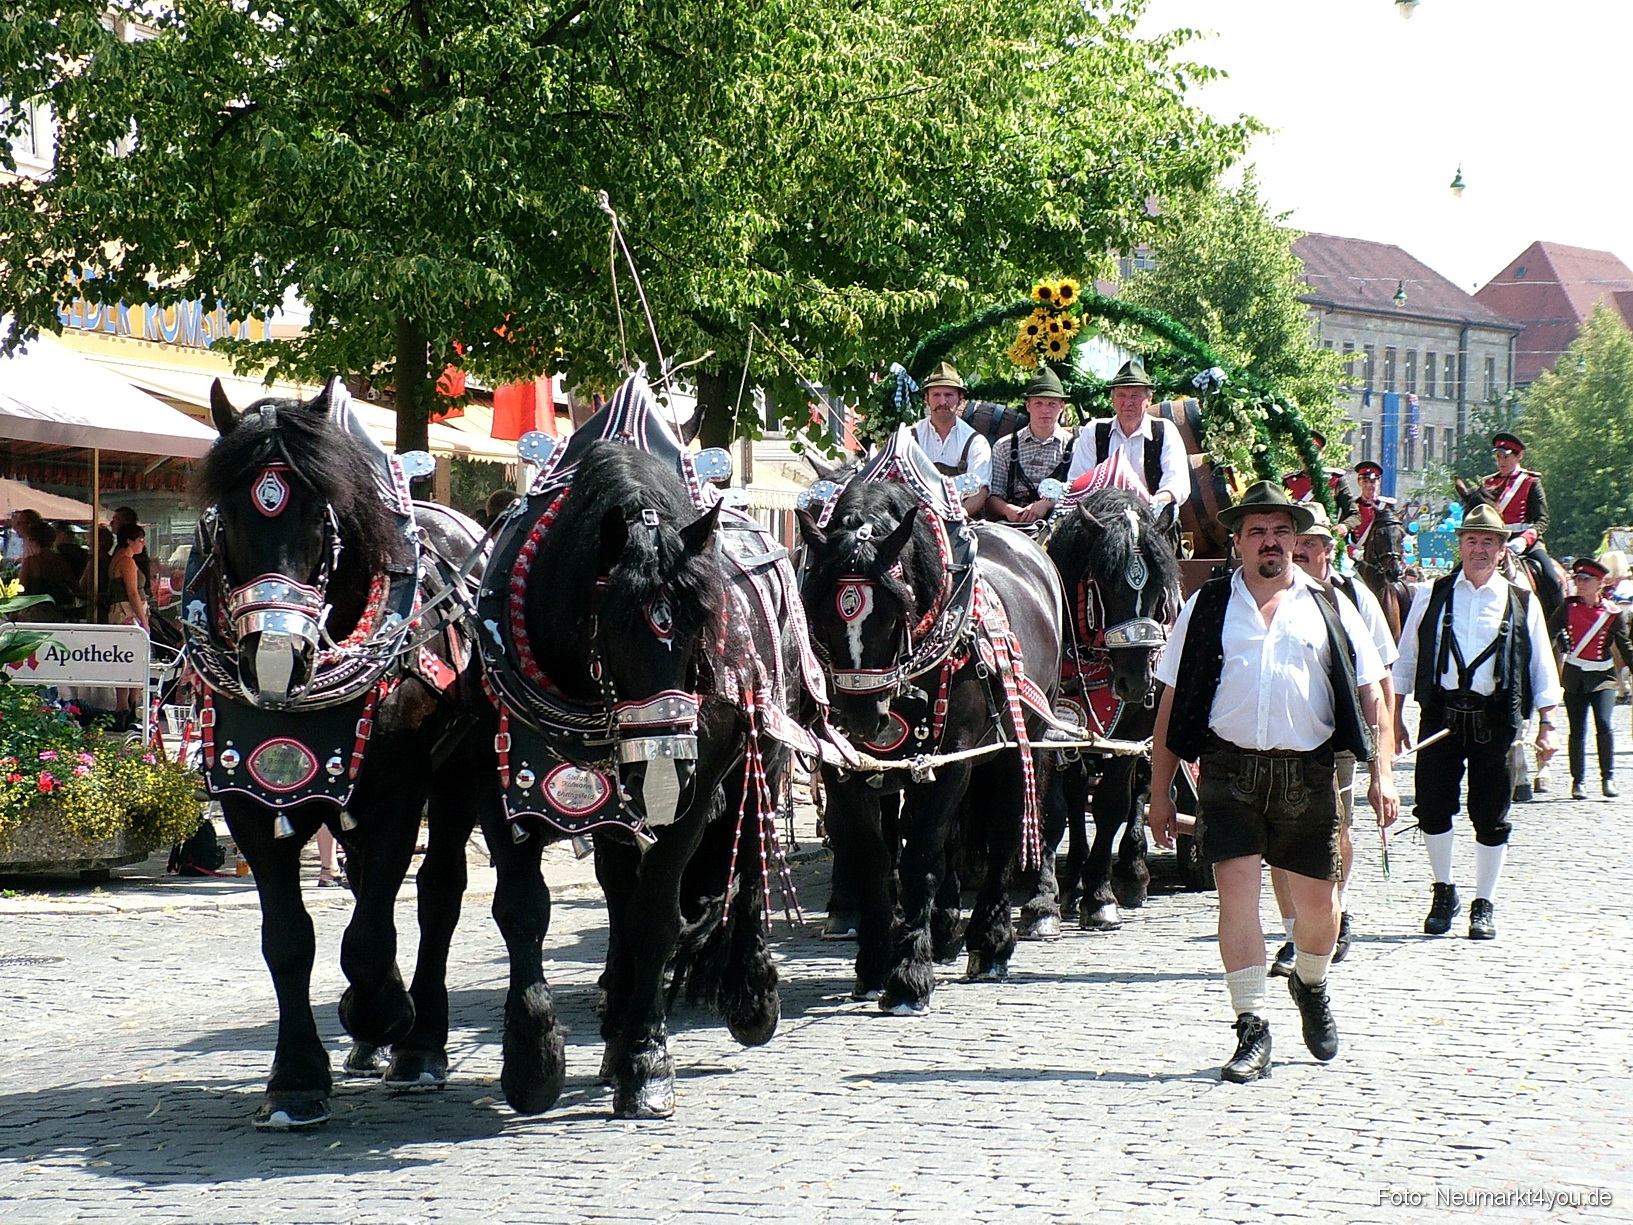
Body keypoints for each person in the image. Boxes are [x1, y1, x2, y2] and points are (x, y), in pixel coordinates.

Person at [1148, 482, 1397, 1084]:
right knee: (1237, 896)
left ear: (1296, 539)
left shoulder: (1327, 604)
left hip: (1306, 772)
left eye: (1280, 531)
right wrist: (1158, 793)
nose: (1270, 542)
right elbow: (1172, 702)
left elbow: (1374, 699)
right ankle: (1250, 1026)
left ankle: (1311, 983)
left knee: (1320, 909)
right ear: (1237, 542)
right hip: (1228, 769)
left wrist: (1382, 773)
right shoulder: (1206, 607)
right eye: (1257, 532)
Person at [1391, 504, 1562, 942]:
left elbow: (1541, 663)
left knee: (1491, 814)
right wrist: (1394, 717)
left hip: (1497, 719)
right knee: (1432, 807)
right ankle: (1444, 889)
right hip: (1440, 715)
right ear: (1461, 544)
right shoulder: (1434, 592)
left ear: (1503, 550)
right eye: (1472, 540)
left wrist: (1548, 722)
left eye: (1489, 541)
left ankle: (1484, 901)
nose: (1480, 549)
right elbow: (1406, 658)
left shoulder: (1522, 600)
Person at [1266, 502, 1399, 976]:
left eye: (1310, 544)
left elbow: (1380, 678)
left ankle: (1333, 912)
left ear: (1328, 549)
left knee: (1333, 829)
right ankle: (1291, 932)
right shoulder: (1263, 594)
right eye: (1295, 543)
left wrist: (1383, 762)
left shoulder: (1351, 597)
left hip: (1337, 734)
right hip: (1280, 734)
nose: (1299, 552)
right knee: (1277, 839)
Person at [1548, 557, 1633, 800]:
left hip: (1602, 676)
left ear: (1600, 583)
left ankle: (1608, 778)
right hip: (1575, 676)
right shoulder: (1567, 608)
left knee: (1604, 725)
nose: (1580, 583)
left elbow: (1624, 646)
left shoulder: (1612, 613)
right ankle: (1579, 782)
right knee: (1577, 730)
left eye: (1586, 580)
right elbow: (1548, 634)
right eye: (1577, 579)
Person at [1065, 358, 1189, 509]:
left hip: (1151, 514)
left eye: (1135, 395)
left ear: (1149, 399)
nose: (1127, 402)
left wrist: (1150, 506)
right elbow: (1079, 480)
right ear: (1113, 399)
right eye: (1121, 395)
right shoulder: (1094, 431)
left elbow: (1176, 484)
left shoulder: (1165, 431)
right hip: (1104, 515)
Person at [1480, 432, 1564, 612]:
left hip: (1525, 541)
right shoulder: (1488, 483)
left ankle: (1561, 631)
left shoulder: (1530, 482)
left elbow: (1542, 519)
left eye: (1506, 457)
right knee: (1457, 574)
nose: (1501, 461)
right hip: (1496, 540)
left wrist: (1524, 540)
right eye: (1498, 457)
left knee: (1551, 578)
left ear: (1519, 456)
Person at [984, 368, 1074, 524]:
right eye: (1038, 403)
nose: (1045, 410)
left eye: (1051, 404)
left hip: (1058, 526)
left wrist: (1047, 504)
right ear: (1028, 406)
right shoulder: (1004, 446)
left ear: (1062, 407)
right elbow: (992, 496)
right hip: (1013, 526)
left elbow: (1079, 491)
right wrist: (1008, 510)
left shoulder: (1075, 447)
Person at [912, 362, 991, 517]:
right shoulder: (909, 437)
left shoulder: (975, 442)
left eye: (948, 395)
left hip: (961, 522)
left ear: (960, 399)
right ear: (926, 398)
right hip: (915, 522)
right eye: (936, 395)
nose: (942, 402)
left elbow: (981, 492)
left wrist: (960, 514)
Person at [108, 523, 151, 723]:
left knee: (126, 658)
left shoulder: (119, 559)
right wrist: (143, 620)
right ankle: (127, 705)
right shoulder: (126, 561)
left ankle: (127, 704)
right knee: (131, 658)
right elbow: (132, 592)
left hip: (121, 611)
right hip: (127, 612)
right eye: (140, 540)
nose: (143, 544)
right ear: (129, 541)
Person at [1281, 432, 1358, 524]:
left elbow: (1354, 514)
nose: (1308, 457)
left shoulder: (1335, 479)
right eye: (1304, 452)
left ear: (1322, 454)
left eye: (1314, 452)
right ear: (1298, 454)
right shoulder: (1289, 482)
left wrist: (1341, 528)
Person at [17, 520, 77, 621]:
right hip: (56, 613)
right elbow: (75, 587)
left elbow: (20, 589)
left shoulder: (31, 562)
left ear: (32, 540)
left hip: (33, 614)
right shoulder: (60, 561)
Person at [1338, 461, 1390, 549]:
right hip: (1354, 555)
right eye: (1365, 481)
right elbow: (1343, 532)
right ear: (1359, 481)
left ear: (1379, 481)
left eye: (1373, 481)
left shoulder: (1385, 506)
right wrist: (1351, 550)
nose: (1369, 485)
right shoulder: (1352, 505)